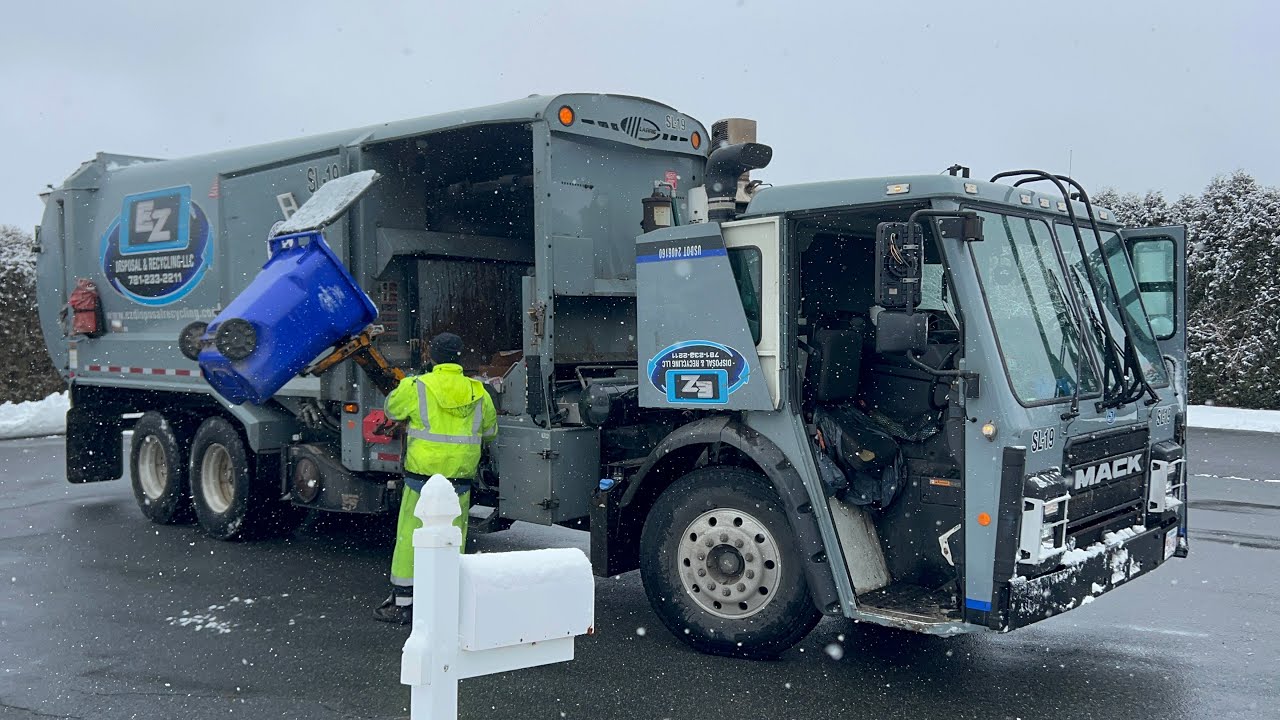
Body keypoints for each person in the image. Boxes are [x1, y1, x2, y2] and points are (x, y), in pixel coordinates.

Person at [373, 332, 497, 624]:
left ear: (432, 356)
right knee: (453, 538)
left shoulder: (417, 386)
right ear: (459, 356)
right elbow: (490, 432)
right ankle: (445, 602)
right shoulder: (479, 392)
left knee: (410, 537)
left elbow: (391, 408)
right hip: (459, 481)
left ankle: (404, 602)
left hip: (422, 478)